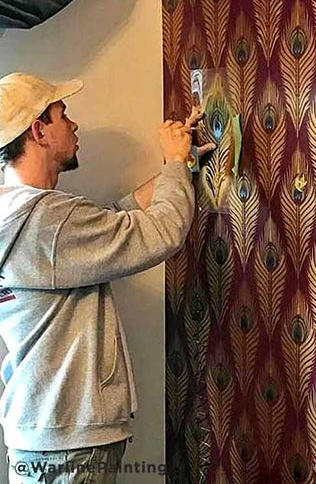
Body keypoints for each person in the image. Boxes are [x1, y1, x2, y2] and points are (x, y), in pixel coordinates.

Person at [0, 72, 214, 483]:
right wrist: (173, 162)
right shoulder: (47, 221)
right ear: (39, 131)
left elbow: (110, 222)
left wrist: (183, 167)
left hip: (46, 429)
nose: (74, 125)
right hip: (70, 438)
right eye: (63, 115)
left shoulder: (20, 216)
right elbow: (160, 234)